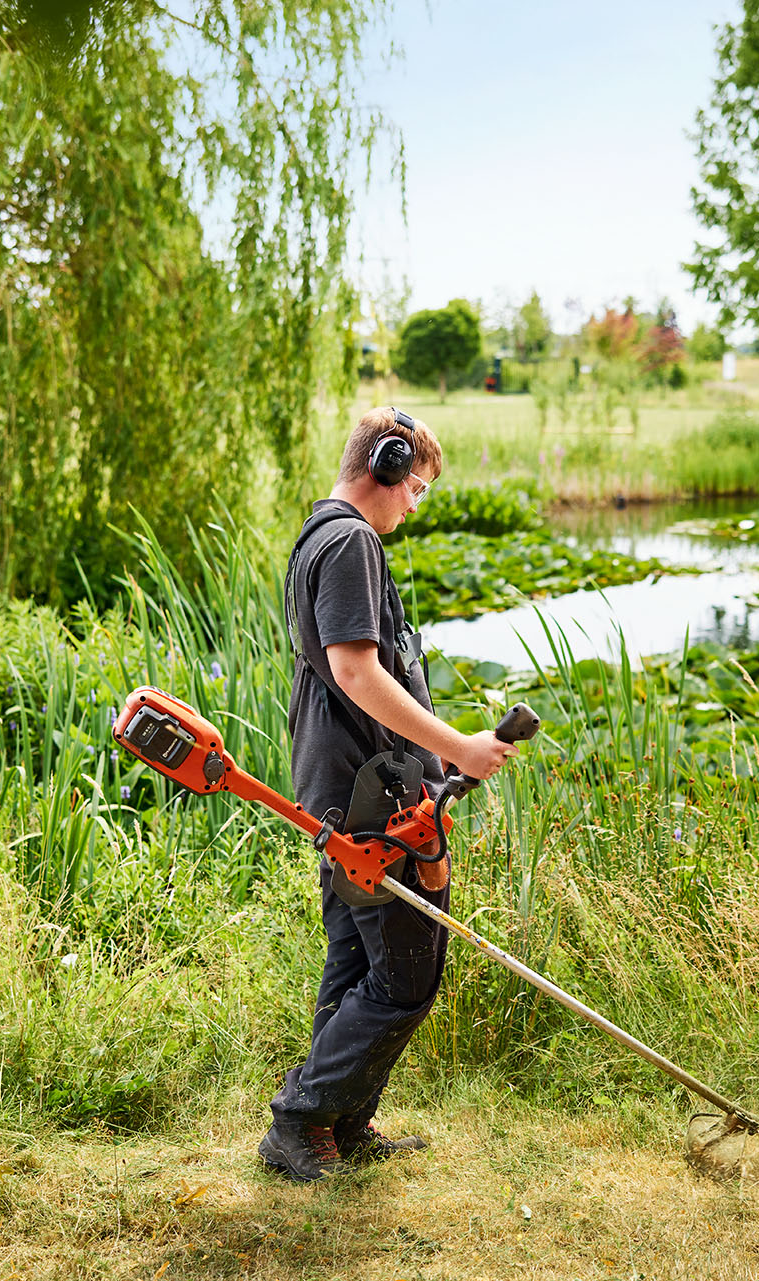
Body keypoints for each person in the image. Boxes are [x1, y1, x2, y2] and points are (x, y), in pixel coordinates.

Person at [259, 405, 518, 1182]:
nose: (415, 503)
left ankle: (338, 1124)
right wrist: (459, 744)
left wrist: (433, 771)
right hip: (362, 797)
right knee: (407, 974)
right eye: (418, 487)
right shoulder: (349, 542)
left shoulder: (323, 534)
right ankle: (298, 1118)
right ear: (388, 463)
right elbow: (356, 671)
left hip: (359, 785)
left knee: (351, 959)